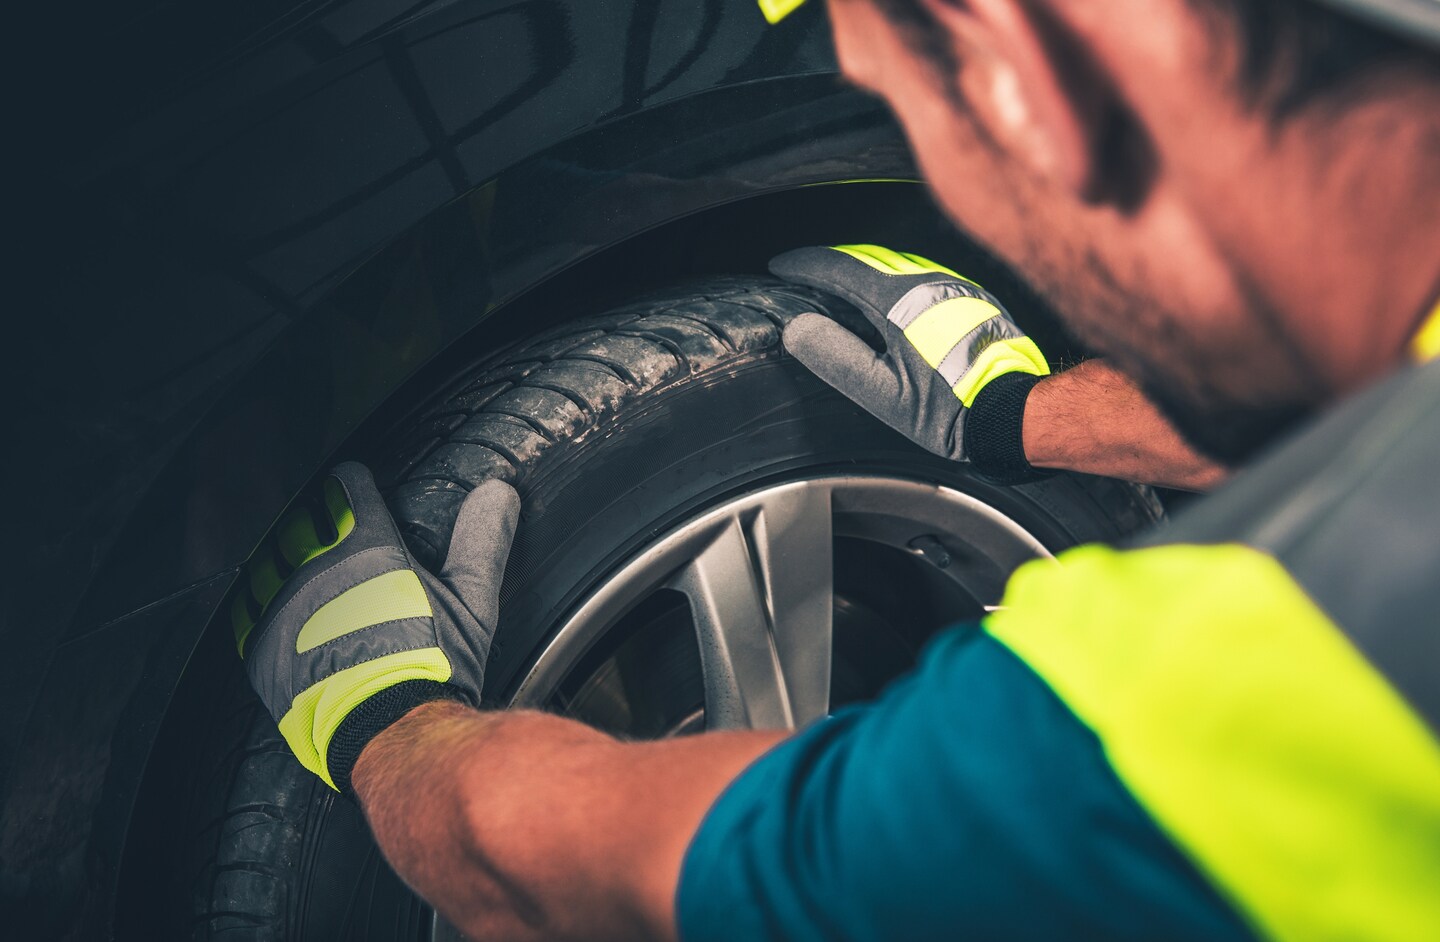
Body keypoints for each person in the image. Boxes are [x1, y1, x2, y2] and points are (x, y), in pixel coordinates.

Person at [235, 0, 1440, 938]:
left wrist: (385, 722)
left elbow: (577, 880)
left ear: (1019, 71)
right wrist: (1021, 423)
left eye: (901, 104)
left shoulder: (1227, 711)